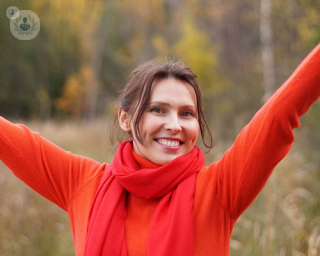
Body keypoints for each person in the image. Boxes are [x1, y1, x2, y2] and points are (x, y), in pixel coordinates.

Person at [1, 43, 320, 256]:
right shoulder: (85, 184)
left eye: (187, 114)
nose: (174, 125)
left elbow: (279, 113)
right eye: (158, 110)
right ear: (125, 118)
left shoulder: (219, 191)